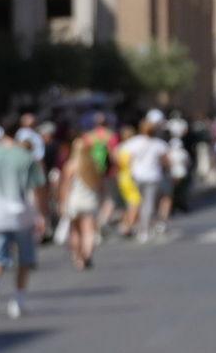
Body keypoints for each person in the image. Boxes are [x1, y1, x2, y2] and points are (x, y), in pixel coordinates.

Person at [0, 127, 44, 319]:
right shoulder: (25, 157)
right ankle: (18, 302)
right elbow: (35, 189)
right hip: (20, 212)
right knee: (24, 258)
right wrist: (40, 215)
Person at [57, 117, 109, 270]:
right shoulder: (94, 164)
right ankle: (87, 255)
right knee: (89, 230)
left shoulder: (70, 165)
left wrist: (62, 202)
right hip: (90, 200)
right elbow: (100, 185)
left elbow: (65, 186)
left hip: (74, 200)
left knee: (75, 230)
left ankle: (78, 258)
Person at [118, 114, 173, 240]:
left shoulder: (134, 142)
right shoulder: (158, 144)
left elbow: (124, 155)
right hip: (152, 176)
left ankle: (138, 226)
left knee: (138, 202)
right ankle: (144, 229)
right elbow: (166, 161)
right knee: (148, 203)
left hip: (137, 176)